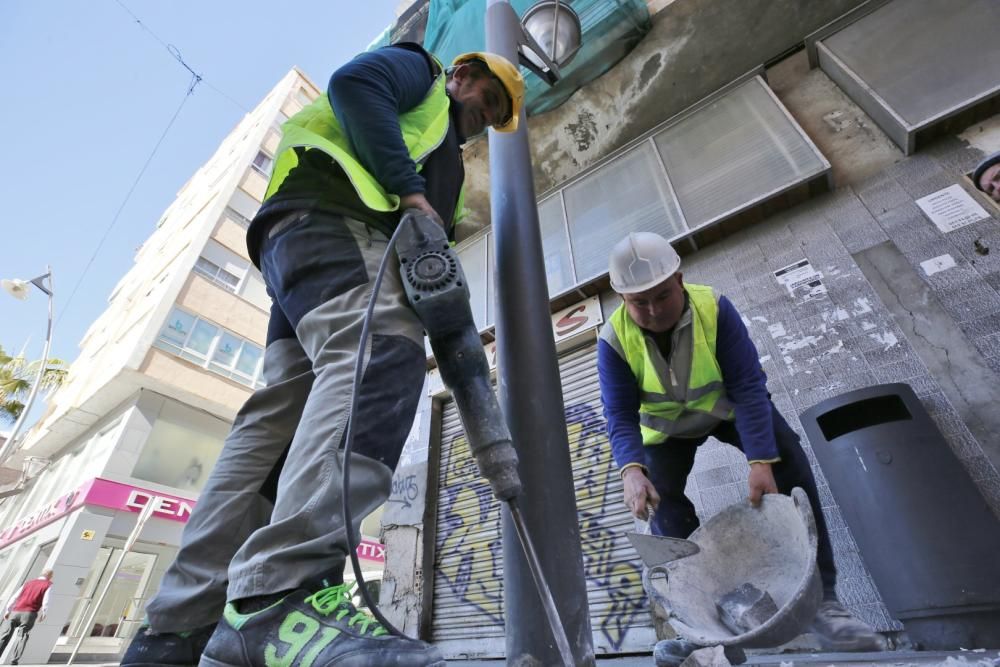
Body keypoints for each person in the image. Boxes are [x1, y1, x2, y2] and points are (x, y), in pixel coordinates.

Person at [123, 43, 523, 667]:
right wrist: (411, 194)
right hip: (336, 224)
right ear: (464, 76)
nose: (483, 121)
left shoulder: (442, 164)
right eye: (488, 102)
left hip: (296, 251)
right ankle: (281, 592)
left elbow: (432, 280)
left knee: (279, 426)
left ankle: (177, 631)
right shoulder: (423, 74)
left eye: (495, 119)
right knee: (382, 356)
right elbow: (354, 83)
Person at [597, 232, 883, 652]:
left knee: (788, 462)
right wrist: (632, 471)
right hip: (665, 432)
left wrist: (760, 460)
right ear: (623, 298)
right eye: (640, 303)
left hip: (727, 410)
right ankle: (703, 629)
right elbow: (619, 415)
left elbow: (749, 387)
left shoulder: (715, 308)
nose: (654, 310)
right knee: (663, 504)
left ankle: (826, 604)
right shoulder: (613, 341)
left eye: (662, 295)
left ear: (679, 278)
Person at [0, 569, 53, 665]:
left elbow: (15, 596)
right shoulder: (48, 585)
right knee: (22, 636)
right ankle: (14, 660)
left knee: (5, 634)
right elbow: (46, 600)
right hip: (29, 613)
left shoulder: (28, 583)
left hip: (16, 611)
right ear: (49, 576)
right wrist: (44, 613)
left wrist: (8, 610)